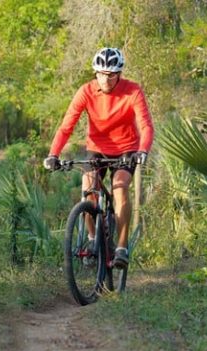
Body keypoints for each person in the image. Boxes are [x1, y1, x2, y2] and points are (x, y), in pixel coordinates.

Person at [43, 47, 154, 268]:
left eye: (111, 74)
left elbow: (146, 125)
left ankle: (122, 247)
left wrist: (142, 150)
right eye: (101, 73)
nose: (105, 79)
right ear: (95, 72)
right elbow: (66, 126)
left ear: (119, 74)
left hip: (126, 149)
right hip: (97, 148)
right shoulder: (86, 91)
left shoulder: (132, 91)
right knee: (88, 187)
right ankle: (93, 240)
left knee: (120, 187)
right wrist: (53, 154)